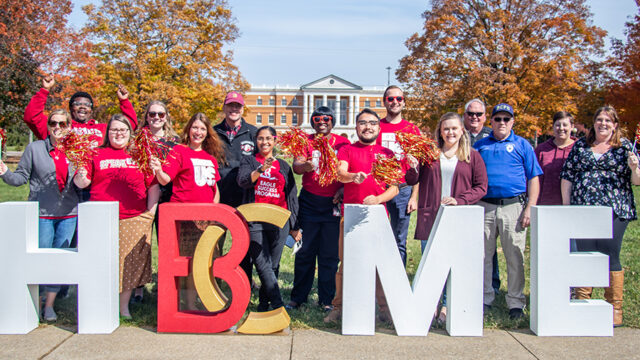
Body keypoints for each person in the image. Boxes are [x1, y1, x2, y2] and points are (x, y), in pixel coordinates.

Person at [560, 105, 640, 327]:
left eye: (608, 120)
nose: (603, 123)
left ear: (615, 125)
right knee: (585, 254)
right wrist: (568, 207)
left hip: (614, 209)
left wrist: (635, 168)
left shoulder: (624, 148)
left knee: (609, 254)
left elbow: (636, 181)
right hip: (583, 209)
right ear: (594, 123)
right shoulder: (581, 146)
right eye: (599, 120)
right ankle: (582, 301)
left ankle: (615, 308)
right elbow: (567, 175)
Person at [74, 114, 159, 319]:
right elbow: (82, 183)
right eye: (114, 130)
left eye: (123, 130)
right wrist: (79, 174)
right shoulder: (95, 153)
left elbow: (153, 185)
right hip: (100, 217)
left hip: (133, 217)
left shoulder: (140, 155)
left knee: (128, 264)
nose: (118, 133)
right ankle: (101, 303)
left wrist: (150, 213)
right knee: (101, 262)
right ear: (107, 133)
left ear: (130, 133)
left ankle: (123, 307)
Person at [405, 112, 488, 324]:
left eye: (454, 128)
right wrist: (413, 165)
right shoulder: (430, 154)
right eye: (446, 129)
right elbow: (412, 179)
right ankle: (432, 303)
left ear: (462, 130)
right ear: (440, 132)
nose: (450, 132)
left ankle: (447, 306)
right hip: (431, 216)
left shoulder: (472, 156)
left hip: (458, 218)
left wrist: (460, 200)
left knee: (453, 264)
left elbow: (481, 187)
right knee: (431, 263)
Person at [0, 110, 80, 322]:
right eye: (53, 123)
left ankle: (50, 305)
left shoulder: (76, 151)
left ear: (69, 126)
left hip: (69, 213)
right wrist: (4, 173)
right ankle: (36, 301)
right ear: (48, 126)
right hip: (42, 214)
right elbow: (20, 178)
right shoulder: (35, 149)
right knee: (40, 259)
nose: (57, 128)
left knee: (59, 259)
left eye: (63, 124)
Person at [324, 108, 399, 324]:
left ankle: (384, 309)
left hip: (378, 216)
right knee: (345, 263)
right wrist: (352, 177)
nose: (368, 126)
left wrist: (378, 199)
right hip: (351, 215)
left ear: (378, 126)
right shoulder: (347, 150)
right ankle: (338, 307)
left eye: (372, 123)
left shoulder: (387, 154)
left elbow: (394, 188)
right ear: (357, 127)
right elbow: (340, 172)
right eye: (363, 123)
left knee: (379, 264)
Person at [473, 103, 542, 320]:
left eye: (506, 119)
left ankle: (515, 302)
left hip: (514, 207)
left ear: (512, 122)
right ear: (490, 121)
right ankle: (485, 299)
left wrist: (530, 207)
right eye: (498, 119)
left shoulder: (523, 145)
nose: (502, 123)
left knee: (514, 255)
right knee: (483, 255)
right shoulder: (480, 145)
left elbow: (533, 177)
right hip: (484, 206)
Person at [150, 112, 224, 310]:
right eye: (195, 127)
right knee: (187, 263)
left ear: (207, 133)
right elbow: (166, 179)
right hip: (184, 218)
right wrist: (157, 169)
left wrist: (213, 213)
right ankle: (187, 305)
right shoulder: (178, 151)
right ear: (188, 130)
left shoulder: (210, 158)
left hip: (206, 219)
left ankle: (205, 300)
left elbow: (214, 189)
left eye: (202, 129)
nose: (198, 132)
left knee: (205, 262)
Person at [286, 106, 350, 311]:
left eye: (326, 118)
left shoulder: (342, 143)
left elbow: (349, 169)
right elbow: (296, 164)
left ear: (333, 121)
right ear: (312, 121)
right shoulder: (306, 140)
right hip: (310, 201)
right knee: (305, 251)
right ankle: (298, 297)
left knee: (329, 253)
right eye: (317, 118)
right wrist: (304, 166)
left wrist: (341, 188)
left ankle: (326, 300)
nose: (322, 121)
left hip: (332, 203)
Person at [237, 126, 300, 311]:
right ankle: (278, 304)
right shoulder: (249, 160)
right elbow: (242, 181)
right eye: (260, 138)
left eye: (268, 138)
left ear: (274, 140)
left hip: (279, 219)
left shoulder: (283, 165)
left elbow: (292, 197)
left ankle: (264, 305)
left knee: (273, 264)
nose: (264, 142)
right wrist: (260, 169)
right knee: (261, 262)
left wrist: (294, 226)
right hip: (255, 218)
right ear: (256, 141)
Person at [213, 91, 258, 285]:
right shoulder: (213, 132)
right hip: (219, 196)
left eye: (237, 106)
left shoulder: (253, 133)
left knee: (244, 243)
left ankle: (244, 282)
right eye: (230, 105)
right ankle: (214, 281)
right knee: (215, 241)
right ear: (224, 107)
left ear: (242, 109)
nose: (234, 109)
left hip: (244, 197)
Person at [376, 86, 421, 266]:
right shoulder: (376, 127)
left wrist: (414, 197)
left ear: (404, 102)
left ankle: (397, 281)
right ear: (384, 101)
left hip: (403, 190)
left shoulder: (412, 129)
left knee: (399, 239)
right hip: (380, 188)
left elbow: (417, 168)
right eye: (390, 99)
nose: (395, 102)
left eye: (399, 99)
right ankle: (378, 278)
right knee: (377, 235)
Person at [24, 75, 138, 146]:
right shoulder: (58, 127)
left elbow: (129, 125)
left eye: (87, 104)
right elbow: (32, 117)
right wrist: (44, 90)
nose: (82, 107)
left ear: (91, 110)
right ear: (70, 108)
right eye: (77, 104)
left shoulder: (102, 129)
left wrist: (124, 101)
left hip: (95, 181)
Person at [463, 98, 500, 296]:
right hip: (463, 196)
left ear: (485, 117)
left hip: (488, 197)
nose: (474, 117)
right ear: (464, 116)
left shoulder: (493, 136)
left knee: (489, 244)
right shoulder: (458, 135)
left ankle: (492, 284)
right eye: (471, 114)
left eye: (479, 114)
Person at [535, 111, 576, 206]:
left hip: (573, 206)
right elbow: (534, 177)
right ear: (553, 126)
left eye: (565, 125)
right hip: (545, 205)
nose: (561, 128)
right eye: (558, 125)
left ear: (572, 126)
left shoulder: (579, 149)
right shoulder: (542, 149)